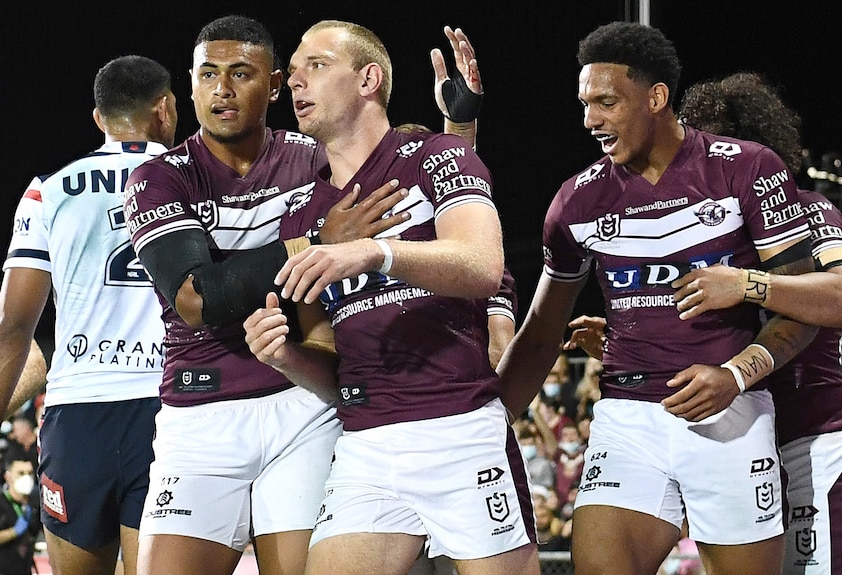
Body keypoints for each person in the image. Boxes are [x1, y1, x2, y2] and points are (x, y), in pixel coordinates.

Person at [122, 15, 486, 575]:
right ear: (189, 85)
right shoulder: (161, 176)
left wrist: (458, 129)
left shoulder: (315, 152)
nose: (222, 89)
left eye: (241, 73)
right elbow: (197, 301)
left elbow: (417, 177)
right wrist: (317, 240)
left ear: (272, 86)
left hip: (305, 401)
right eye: (207, 74)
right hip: (200, 411)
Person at [495, 21, 818, 575]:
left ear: (656, 97)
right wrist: (489, 421)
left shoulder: (746, 168)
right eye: (585, 104)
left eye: (606, 102)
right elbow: (543, 331)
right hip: (627, 419)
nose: (591, 119)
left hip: (731, 413)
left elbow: (802, 304)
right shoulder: (576, 202)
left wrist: (736, 376)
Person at [243, 19, 540, 575]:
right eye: (295, 69)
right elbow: (330, 368)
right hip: (366, 443)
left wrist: (373, 253)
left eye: (316, 64)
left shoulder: (438, 157)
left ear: (368, 79)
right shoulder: (303, 213)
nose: (294, 81)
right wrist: (284, 357)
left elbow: (481, 266)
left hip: (460, 430)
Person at [664, 71, 842, 575]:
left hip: (813, 445)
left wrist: (749, 284)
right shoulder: (693, 230)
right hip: (736, 455)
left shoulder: (808, 211)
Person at [0, 55, 178, 575]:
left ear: (98, 118)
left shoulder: (47, 189)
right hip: (171, 404)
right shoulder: (194, 180)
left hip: (79, 409)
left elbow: (14, 326)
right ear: (165, 109)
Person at [0, 446, 40, 575]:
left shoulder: (35, 505)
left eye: (29, 473)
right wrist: (13, 532)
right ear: (8, 476)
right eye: (21, 473)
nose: (26, 478)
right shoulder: (2, 503)